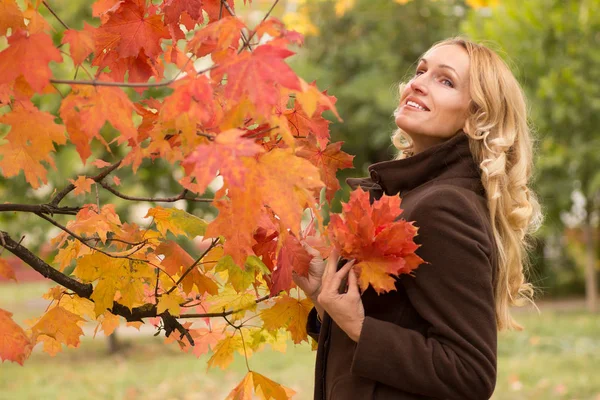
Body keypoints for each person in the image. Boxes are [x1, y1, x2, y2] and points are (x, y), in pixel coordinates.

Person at [292, 37, 544, 400]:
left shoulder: (443, 208)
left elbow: (470, 373)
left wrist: (360, 327)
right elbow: (400, 325)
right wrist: (324, 296)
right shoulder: (411, 197)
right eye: (421, 70)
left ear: (477, 118)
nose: (417, 82)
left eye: (446, 80)